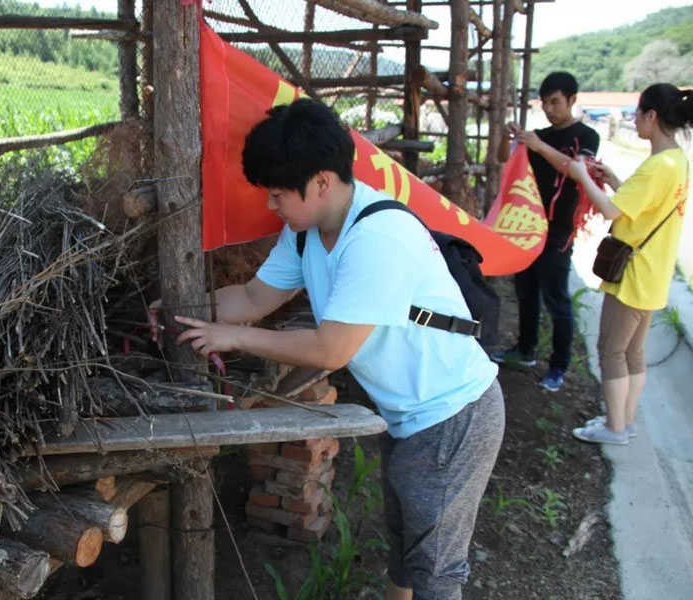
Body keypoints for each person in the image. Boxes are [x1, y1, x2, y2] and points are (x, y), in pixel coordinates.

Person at [152, 98, 504, 600]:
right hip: (411, 413)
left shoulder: (376, 237)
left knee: (436, 573)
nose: (271, 206)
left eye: (277, 195)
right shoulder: (307, 233)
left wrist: (233, 338)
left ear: (320, 182)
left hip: (453, 413)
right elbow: (253, 298)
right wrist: (181, 309)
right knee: (406, 552)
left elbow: (331, 349)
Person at [566, 83, 691, 445]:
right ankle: (625, 419)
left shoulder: (657, 166)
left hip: (633, 276)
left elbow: (610, 210)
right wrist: (615, 181)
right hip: (654, 274)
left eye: (638, 113)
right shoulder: (676, 161)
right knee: (633, 351)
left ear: (652, 116)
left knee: (611, 350)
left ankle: (615, 428)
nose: (635, 119)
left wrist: (582, 175)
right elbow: (644, 207)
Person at [493, 72, 600, 392]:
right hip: (527, 228)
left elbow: (577, 172)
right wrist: (506, 137)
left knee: (557, 300)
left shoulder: (586, 136)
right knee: (525, 291)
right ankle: (525, 350)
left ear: (572, 100)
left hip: (559, 231)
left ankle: (558, 366)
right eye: (545, 103)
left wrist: (538, 146)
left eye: (556, 102)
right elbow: (502, 158)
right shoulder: (536, 136)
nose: (549, 109)